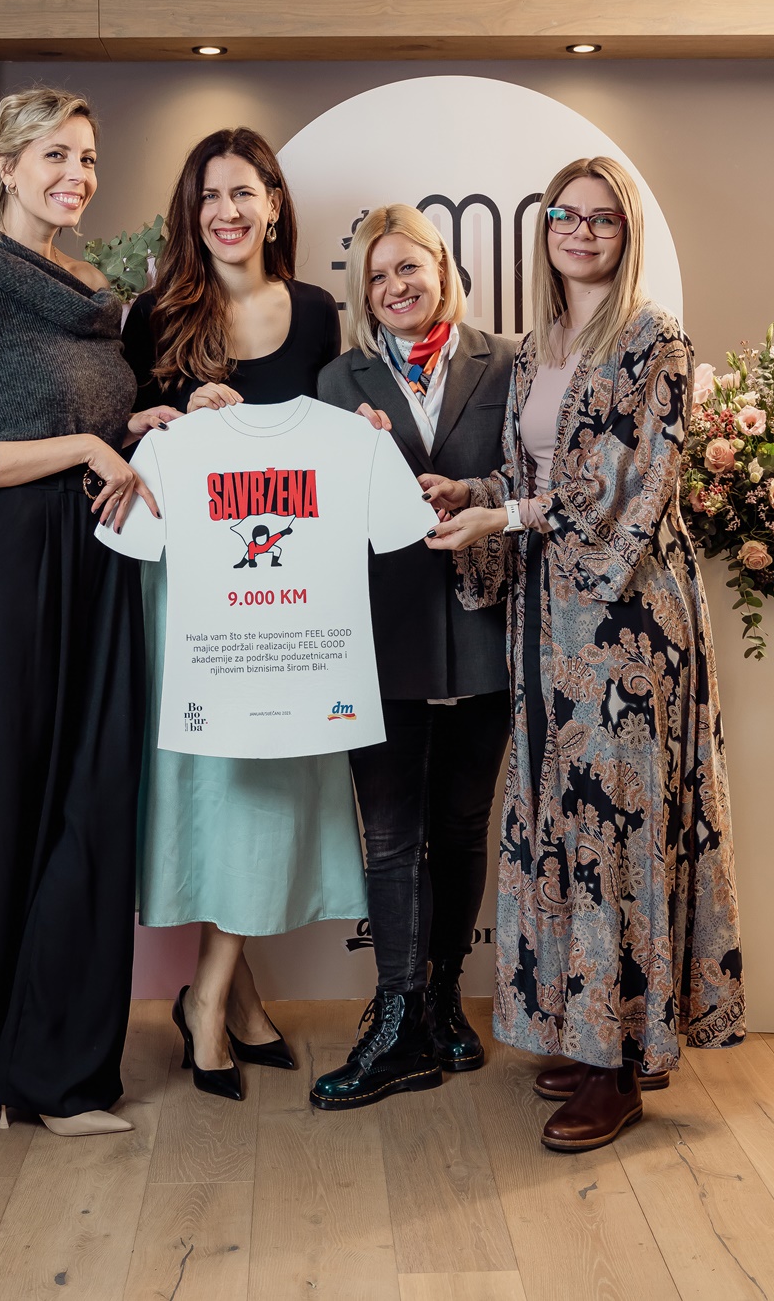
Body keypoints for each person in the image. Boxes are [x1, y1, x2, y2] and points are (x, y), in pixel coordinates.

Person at [423, 156, 745, 1152]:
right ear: (545, 228)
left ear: (625, 233)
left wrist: (509, 515)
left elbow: (624, 486)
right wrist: (473, 497)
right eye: (566, 214)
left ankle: (620, 1066)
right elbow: (530, 477)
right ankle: (600, 1031)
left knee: (615, 830)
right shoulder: (536, 348)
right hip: (546, 625)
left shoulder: (653, 339)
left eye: (603, 218)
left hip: (626, 624)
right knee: (561, 822)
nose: (582, 231)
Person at [0, 87, 171, 1137]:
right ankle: (7, 1073)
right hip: (16, 569)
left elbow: (100, 421)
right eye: (57, 154)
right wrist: (86, 446)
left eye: (89, 157)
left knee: (96, 805)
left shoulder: (96, 291)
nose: (78, 174)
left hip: (102, 563)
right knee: (16, 810)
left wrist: (149, 420)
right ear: (7, 166)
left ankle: (64, 1070)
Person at [122, 127, 366, 1098]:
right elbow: (128, 449)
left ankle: (212, 995)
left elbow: (326, 447)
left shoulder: (316, 314)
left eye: (242, 193)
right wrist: (172, 421)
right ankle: (222, 1002)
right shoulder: (153, 317)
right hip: (192, 591)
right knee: (213, 789)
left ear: (273, 204)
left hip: (288, 593)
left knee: (266, 785)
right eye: (208, 196)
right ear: (192, 213)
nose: (225, 212)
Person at [310, 204, 516, 1110]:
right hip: (380, 638)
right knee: (391, 835)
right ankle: (395, 1017)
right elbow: (317, 513)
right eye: (377, 275)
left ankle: (441, 1000)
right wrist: (353, 458)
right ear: (362, 292)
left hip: (483, 633)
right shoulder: (338, 378)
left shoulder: (507, 362)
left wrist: (473, 491)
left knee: (463, 827)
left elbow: (531, 478)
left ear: (442, 268)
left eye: (409, 267)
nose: (396, 287)